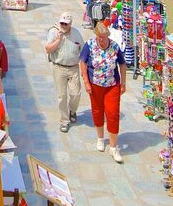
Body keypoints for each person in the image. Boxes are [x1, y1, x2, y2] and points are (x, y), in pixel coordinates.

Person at [79, 22, 126, 163]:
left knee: (112, 113)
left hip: (112, 85)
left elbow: (122, 64)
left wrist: (123, 82)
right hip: (95, 84)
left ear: (108, 36)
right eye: (99, 37)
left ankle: (113, 147)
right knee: (97, 110)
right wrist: (86, 82)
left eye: (104, 37)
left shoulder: (115, 47)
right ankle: (100, 138)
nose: (101, 40)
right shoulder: (89, 45)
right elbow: (82, 62)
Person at [45, 12, 85, 133]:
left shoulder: (76, 33)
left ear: (70, 24)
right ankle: (64, 120)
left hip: (73, 68)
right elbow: (48, 49)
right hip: (59, 67)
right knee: (61, 96)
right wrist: (59, 39)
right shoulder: (53, 32)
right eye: (62, 23)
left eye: (66, 24)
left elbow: (83, 50)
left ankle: (72, 110)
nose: (63, 25)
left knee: (76, 93)